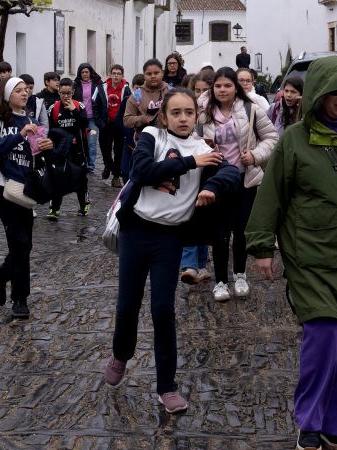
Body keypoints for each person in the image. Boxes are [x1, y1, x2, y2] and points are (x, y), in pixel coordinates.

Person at [247, 56, 337, 450]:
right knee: (324, 338)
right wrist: (261, 247)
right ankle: (309, 423)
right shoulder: (294, 140)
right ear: (318, 95)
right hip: (309, 255)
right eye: (335, 93)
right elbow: (271, 194)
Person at [103, 87, 240, 413]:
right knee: (128, 304)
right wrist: (191, 163)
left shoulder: (203, 146)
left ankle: (167, 386)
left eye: (188, 112)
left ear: (197, 115)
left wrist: (211, 186)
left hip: (170, 237)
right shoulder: (153, 136)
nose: (182, 118)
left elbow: (232, 172)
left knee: (163, 309)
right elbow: (140, 171)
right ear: (164, 116)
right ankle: (121, 355)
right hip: (137, 230)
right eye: (175, 112)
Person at [197, 67, 277, 303]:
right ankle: (220, 281)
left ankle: (240, 274)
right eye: (218, 86)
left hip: (245, 180)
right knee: (219, 232)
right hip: (216, 180)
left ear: (236, 87)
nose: (222, 90)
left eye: (227, 85)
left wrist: (255, 155)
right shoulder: (203, 113)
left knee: (241, 229)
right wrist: (203, 150)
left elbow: (272, 138)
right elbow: (191, 140)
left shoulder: (251, 109)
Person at [0, 77, 54, 320]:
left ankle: (0, 275)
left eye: (26, 90)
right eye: (19, 90)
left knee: (26, 245)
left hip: (26, 190)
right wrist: (19, 135)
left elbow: (36, 156)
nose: (25, 94)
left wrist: (46, 147)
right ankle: (20, 299)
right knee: (20, 244)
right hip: (4, 190)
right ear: (7, 95)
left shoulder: (32, 121)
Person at [178, 69, 216, 285]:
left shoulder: (217, 112)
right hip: (191, 167)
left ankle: (200, 264)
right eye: (197, 90)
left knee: (203, 217)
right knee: (191, 215)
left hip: (211, 168)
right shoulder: (189, 112)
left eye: (205, 90)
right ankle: (189, 265)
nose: (201, 95)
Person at [45, 78, 92, 219]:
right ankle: (54, 209)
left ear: (73, 92)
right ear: (59, 92)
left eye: (68, 93)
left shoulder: (79, 106)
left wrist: (74, 111)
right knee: (57, 177)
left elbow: (85, 124)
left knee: (80, 178)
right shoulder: (53, 108)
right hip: (60, 150)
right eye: (63, 93)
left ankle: (84, 205)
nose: (66, 96)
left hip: (77, 149)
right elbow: (50, 130)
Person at [100, 64, 130, 186]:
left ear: (122, 76)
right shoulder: (102, 88)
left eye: (119, 74)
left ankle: (116, 176)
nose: (116, 76)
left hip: (120, 125)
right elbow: (95, 105)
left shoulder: (127, 89)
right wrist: (100, 122)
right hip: (106, 124)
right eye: (114, 73)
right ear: (110, 75)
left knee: (119, 151)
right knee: (105, 150)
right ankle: (108, 165)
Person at [75, 63, 106, 175]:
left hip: (93, 119)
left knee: (92, 143)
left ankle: (90, 165)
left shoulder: (97, 84)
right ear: (79, 73)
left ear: (90, 72)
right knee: (80, 141)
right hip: (80, 118)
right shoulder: (75, 84)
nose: (85, 74)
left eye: (86, 72)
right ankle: (81, 162)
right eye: (82, 72)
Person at [123, 58, 169, 134]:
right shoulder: (136, 95)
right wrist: (144, 119)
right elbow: (127, 120)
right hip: (144, 137)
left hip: (168, 137)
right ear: (144, 75)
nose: (153, 76)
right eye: (149, 74)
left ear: (162, 73)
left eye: (156, 73)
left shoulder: (171, 92)